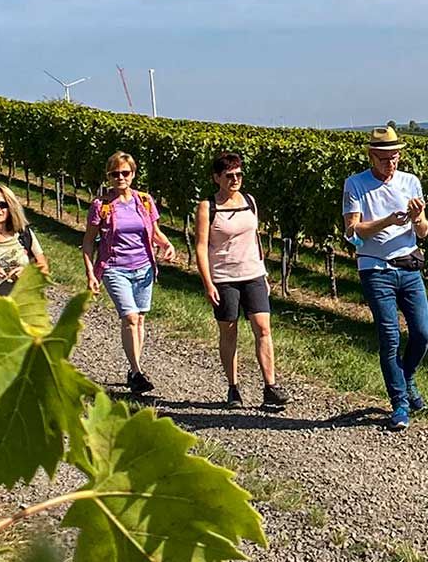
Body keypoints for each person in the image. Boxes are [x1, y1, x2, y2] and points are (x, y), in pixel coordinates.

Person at [342, 125, 428, 431]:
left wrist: (418, 217)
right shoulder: (356, 184)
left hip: (408, 267)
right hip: (375, 269)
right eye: (384, 158)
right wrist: (386, 221)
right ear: (371, 156)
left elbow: (423, 232)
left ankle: (406, 379)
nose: (390, 163)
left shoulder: (411, 182)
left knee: (423, 333)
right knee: (390, 336)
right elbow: (352, 232)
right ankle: (400, 403)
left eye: (394, 157)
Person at [193, 151, 287, 411]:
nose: (235, 179)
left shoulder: (249, 201)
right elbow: (201, 247)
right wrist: (208, 282)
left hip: (253, 274)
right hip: (224, 278)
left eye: (239, 174)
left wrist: (264, 272)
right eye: (229, 175)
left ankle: (270, 387)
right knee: (229, 330)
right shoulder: (207, 207)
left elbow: (255, 238)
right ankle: (233, 387)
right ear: (217, 178)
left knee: (263, 329)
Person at [87, 152, 174, 396]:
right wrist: (90, 274)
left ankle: (134, 370)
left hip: (144, 267)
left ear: (133, 174)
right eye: (115, 174)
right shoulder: (101, 206)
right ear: (108, 176)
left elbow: (154, 232)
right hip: (114, 268)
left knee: (140, 319)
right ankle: (136, 372)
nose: (120, 177)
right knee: (130, 317)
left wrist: (167, 245)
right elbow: (87, 242)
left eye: (125, 173)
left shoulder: (145, 201)